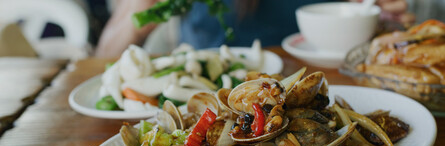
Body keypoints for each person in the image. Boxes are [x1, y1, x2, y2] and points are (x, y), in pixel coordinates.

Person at [95, 0, 413, 58]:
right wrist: (139, 16)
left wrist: (378, 21)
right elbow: (105, 52)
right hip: (205, 95)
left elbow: (370, 24)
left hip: (329, 86)